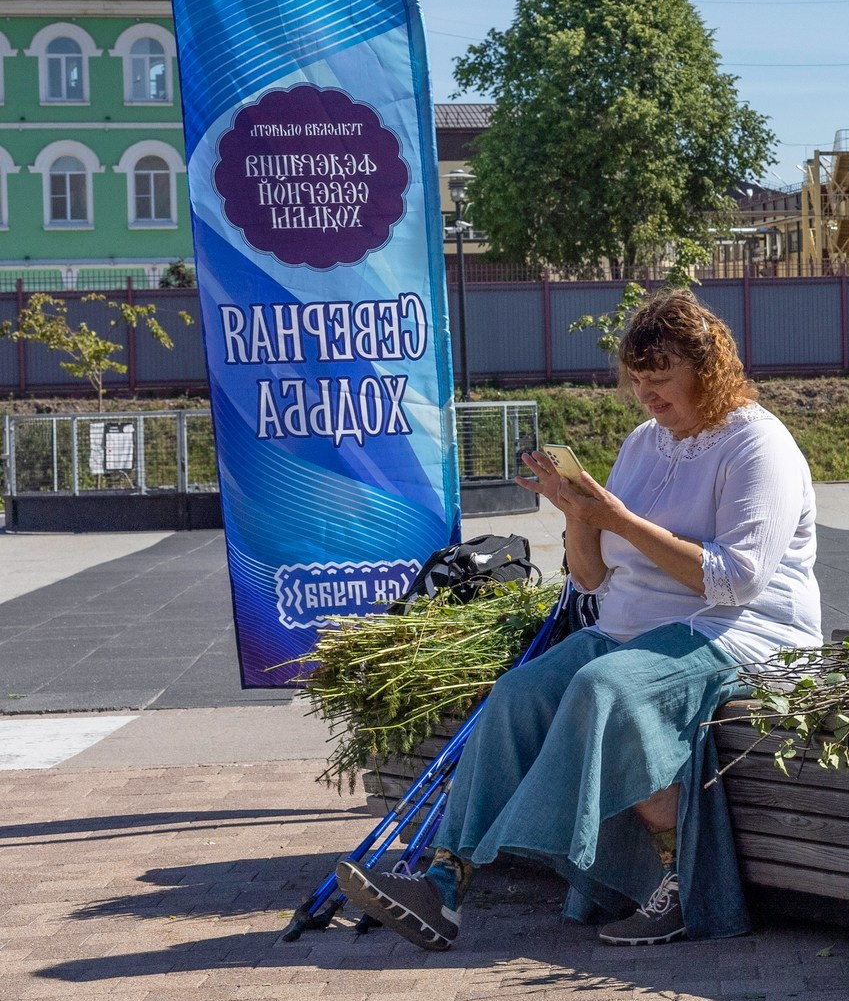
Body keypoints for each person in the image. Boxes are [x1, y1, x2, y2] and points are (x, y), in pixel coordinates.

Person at [337, 291, 820, 952]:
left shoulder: (758, 443)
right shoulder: (644, 442)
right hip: (632, 627)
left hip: (738, 630)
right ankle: (444, 882)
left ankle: (681, 885)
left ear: (707, 371)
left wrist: (618, 518)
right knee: (518, 693)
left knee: (606, 688)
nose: (646, 394)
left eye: (661, 377)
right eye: (637, 379)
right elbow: (591, 579)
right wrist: (575, 514)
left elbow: (738, 579)